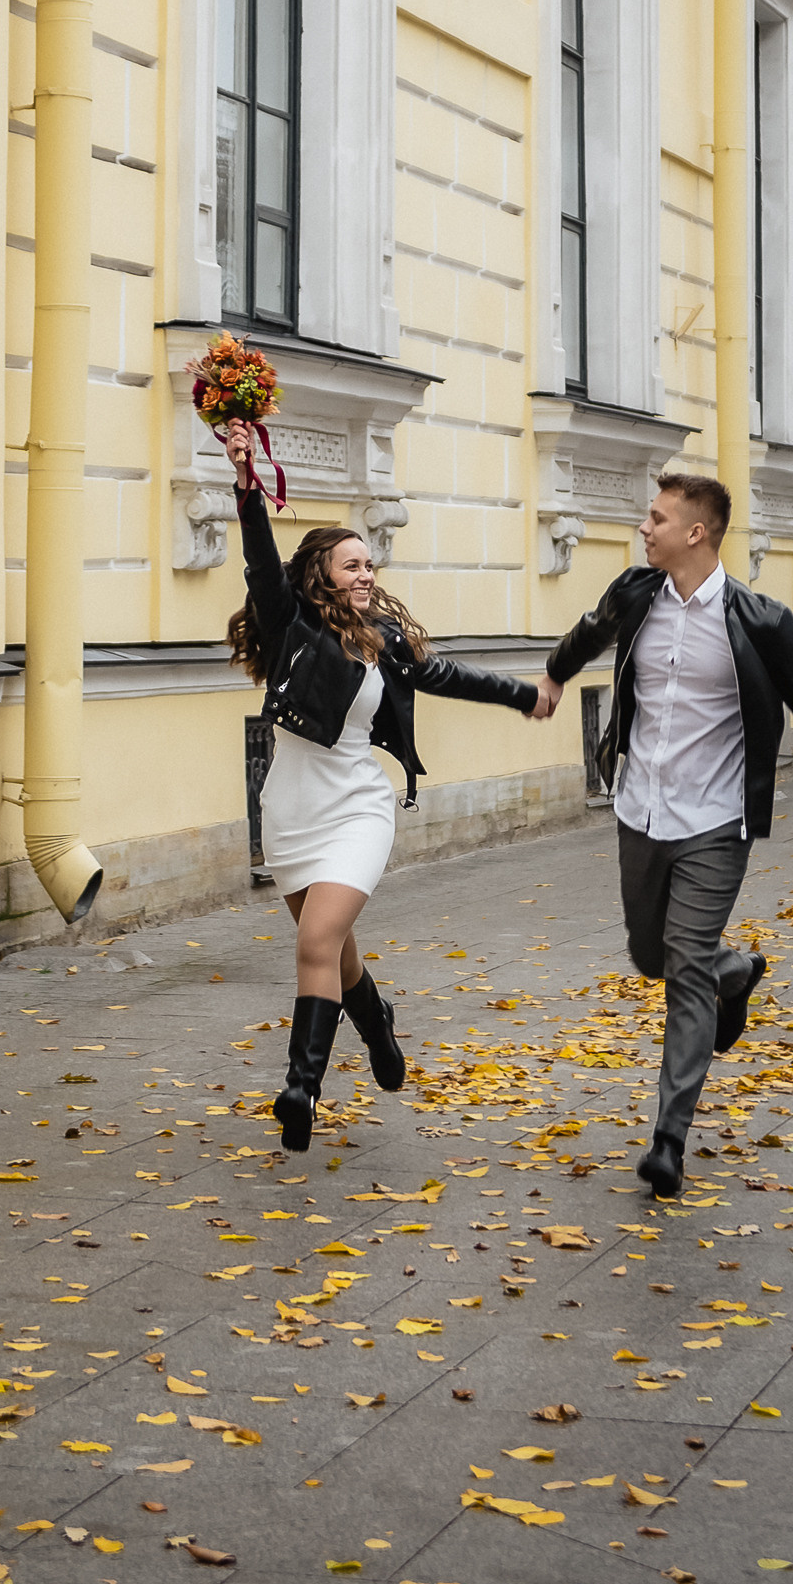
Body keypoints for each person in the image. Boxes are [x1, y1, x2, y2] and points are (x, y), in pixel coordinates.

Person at [534, 470, 793, 1200]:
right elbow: (590, 630)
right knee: (651, 954)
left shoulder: (761, 621)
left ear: (695, 533)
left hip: (715, 819)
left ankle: (668, 1137)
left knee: (685, 962)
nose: (646, 528)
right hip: (640, 808)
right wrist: (552, 677)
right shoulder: (636, 593)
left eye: (658, 518)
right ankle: (734, 973)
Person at [224, 416, 543, 1151]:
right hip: (293, 808)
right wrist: (246, 482)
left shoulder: (388, 644)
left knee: (314, 940)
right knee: (336, 952)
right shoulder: (291, 628)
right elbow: (259, 560)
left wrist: (523, 695)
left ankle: (300, 1088)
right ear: (321, 577)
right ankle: (376, 1022)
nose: (366, 575)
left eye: (370, 565)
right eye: (351, 566)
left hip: (358, 810)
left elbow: (451, 675)